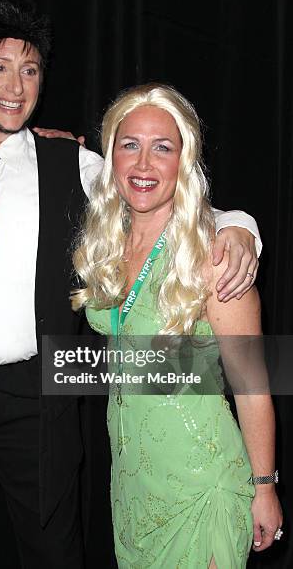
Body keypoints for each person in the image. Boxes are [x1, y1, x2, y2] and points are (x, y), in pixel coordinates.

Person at [0, 0, 261, 568]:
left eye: (29, 70)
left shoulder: (72, 164)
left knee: (55, 552)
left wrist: (241, 229)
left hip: (34, 396)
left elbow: (163, 189)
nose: (15, 86)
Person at [71, 82, 282, 568]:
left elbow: (252, 386)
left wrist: (265, 487)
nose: (144, 165)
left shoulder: (215, 254)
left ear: (183, 161)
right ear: (112, 157)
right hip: (132, 489)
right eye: (130, 145)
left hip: (200, 487)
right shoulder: (109, 244)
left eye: (162, 148)